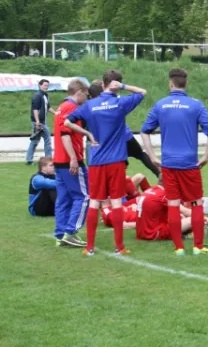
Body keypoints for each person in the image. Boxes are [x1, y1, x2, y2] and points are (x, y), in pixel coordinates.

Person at [65, 69, 146, 256]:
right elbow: (142, 92)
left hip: (96, 160)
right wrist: (124, 87)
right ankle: (119, 247)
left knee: (94, 201)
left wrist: (87, 134)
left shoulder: (90, 105)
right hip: (116, 160)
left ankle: (90, 248)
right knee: (116, 201)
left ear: (102, 84)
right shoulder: (120, 102)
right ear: (116, 84)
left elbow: (67, 122)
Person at [141, 68, 208, 256]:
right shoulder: (195, 105)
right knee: (197, 203)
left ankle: (179, 248)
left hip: (169, 164)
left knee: (173, 205)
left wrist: (151, 156)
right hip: (189, 164)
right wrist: (206, 156)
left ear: (170, 84)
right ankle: (198, 246)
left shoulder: (160, 105)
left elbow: (144, 131)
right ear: (186, 83)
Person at [88, 80, 160, 177]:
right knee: (140, 154)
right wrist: (122, 86)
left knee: (114, 164)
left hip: (109, 142)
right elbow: (141, 92)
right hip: (125, 137)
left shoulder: (90, 107)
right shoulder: (115, 102)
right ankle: (160, 174)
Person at [53, 79, 89, 248]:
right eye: (86, 94)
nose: (87, 98)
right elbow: (65, 134)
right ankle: (71, 232)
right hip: (69, 161)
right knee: (83, 197)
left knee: (64, 199)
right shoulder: (71, 108)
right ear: (79, 92)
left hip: (59, 161)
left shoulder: (61, 107)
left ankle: (60, 235)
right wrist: (73, 158)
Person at [26, 79, 56, 165]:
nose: (46, 87)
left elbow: (48, 107)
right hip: (39, 123)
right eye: (45, 85)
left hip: (42, 122)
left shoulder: (45, 95)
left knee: (35, 141)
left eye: (47, 85)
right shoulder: (37, 95)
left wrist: (56, 113)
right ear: (40, 85)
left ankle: (29, 160)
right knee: (47, 139)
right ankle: (49, 159)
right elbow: (35, 109)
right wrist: (37, 122)